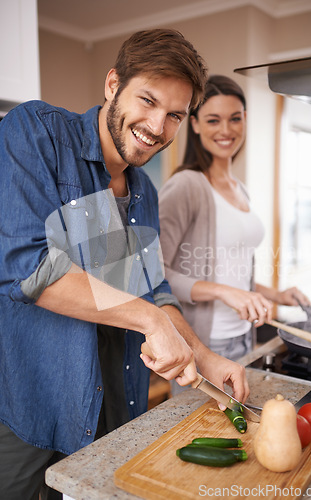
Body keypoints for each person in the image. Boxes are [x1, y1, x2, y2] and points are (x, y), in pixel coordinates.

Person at [0, 33, 249, 500]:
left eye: (175, 115)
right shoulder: (35, 133)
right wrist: (149, 318)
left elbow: (153, 290)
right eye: (148, 101)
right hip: (28, 406)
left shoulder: (145, 193)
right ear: (113, 83)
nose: (157, 126)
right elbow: (29, 269)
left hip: (113, 406)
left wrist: (204, 357)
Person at [159, 74, 310, 369]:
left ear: (245, 120)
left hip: (244, 334)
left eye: (235, 118)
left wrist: (276, 294)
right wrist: (222, 291)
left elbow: (235, 273)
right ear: (195, 124)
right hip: (204, 344)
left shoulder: (240, 189)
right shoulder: (186, 186)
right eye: (213, 120)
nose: (226, 130)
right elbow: (156, 275)